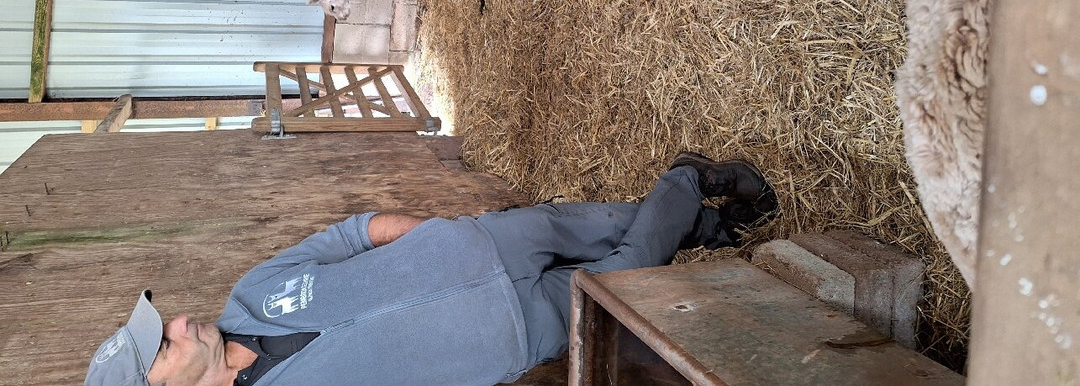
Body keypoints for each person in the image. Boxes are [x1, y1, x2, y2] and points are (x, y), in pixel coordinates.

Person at [84, 152, 778, 386]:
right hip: (504, 336)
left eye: (161, 321)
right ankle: (687, 185)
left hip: (483, 245)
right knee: (627, 278)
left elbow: (347, 236)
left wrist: (433, 236)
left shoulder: (251, 295)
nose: (176, 321)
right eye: (163, 343)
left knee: (607, 225)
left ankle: (703, 220)